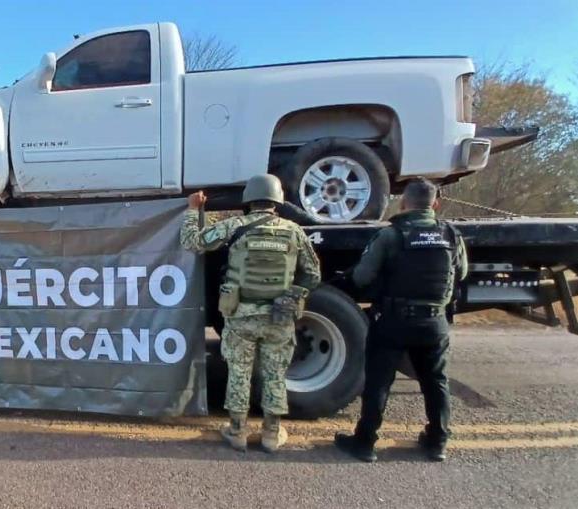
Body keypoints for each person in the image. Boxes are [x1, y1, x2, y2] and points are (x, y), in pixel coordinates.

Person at [181, 174, 321, 452]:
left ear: (248, 200)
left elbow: (192, 242)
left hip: (240, 315)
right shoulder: (293, 231)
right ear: (277, 200)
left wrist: (192, 210)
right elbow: (313, 275)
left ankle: (237, 432)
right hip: (278, 318)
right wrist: (291, 297)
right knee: (274, 374)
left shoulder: (235, 226)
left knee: (239, 372)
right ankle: (271, 434)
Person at [334, 178, 468, 463]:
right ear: (435, 204)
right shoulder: (451, 235)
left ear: (404, 203)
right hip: (434, 322)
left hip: (394, 321)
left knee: (379, 383)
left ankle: (365, 443)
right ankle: (437, 443)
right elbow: (462, 273)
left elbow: (362, 277)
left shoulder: (391, 235)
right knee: (435, 382)